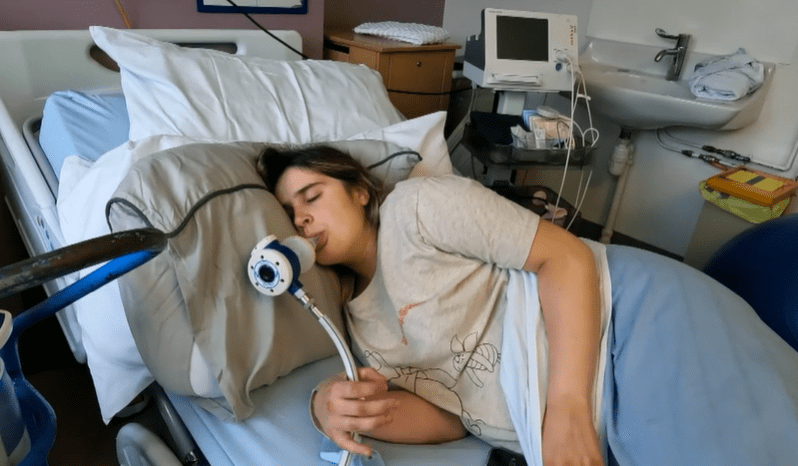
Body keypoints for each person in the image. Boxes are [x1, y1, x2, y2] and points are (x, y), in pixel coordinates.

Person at [256, 145, 798, 466]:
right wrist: (330, 405)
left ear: (359, 192)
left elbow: (565, 259)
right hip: (579, 404)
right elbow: (452, 417)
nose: (302, 219)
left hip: (627, 323)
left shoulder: (416, 209)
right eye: (290, 213)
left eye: (313, 195)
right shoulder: (357, 328)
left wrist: (567, 410)